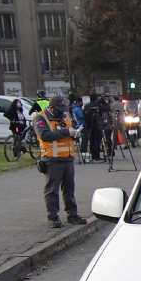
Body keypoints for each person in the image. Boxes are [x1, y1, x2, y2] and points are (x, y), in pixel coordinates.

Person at [32, 95, 87, 228]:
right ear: (51, 107)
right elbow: (44, 136)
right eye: (59, 108)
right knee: (52, 190)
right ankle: (53, 217)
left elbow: (68, 132)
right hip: (52, 159)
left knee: (69, 189)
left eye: (63, 108)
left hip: (67, 158)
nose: (62, 111)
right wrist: (66, 132)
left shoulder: (65, 116)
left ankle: (72, 215)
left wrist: (74, 134)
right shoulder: (40, 118)